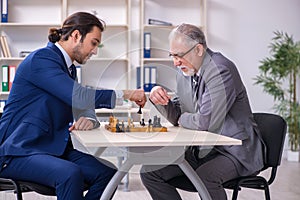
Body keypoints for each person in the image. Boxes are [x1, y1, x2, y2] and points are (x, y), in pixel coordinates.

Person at [0, 12, 146, 200]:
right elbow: (80, 96)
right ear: (76, 35)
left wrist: (90, 120)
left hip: (51, 148)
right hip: (18, 151)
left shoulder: (68, 68)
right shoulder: (41, 60)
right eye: (94, 43)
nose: (95, 51)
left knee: (109, 174)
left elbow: (82, 106)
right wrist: (127, 94)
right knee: (69, 174)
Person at [140, 23, 265, 200]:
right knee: (149, 171)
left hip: (234, 152)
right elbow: (178, 116)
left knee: (205, 177)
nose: (175, 62)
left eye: (179, 55)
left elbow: (205, 121)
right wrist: (158, 98)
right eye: (172, 56)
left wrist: (184, 118)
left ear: (198, 49)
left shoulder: (221, 69)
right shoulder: (186, 72)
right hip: (202, 150)